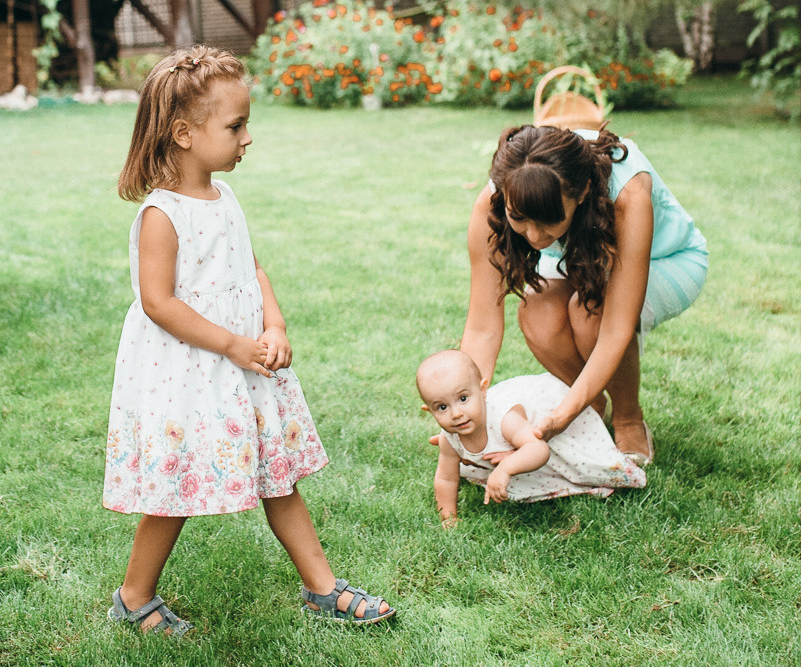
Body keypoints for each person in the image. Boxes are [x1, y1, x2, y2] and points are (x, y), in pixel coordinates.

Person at [103, 45, 395, 633]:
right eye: (236, 126)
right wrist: (233, 344)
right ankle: (135, 595)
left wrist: (274, 325)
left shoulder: (226, 197)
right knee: (175, 488)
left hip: (243, 365)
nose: (247, 138)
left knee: (276, 472)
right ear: (184, 133)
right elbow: (158, 303)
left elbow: (252, 270)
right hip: (190, 372)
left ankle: (322, 585)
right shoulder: (163, 214)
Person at [461, 124, 708, 466]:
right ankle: (590, 407)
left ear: (582, 192)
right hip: (577, 260)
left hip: (667, 260)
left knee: (590, 310)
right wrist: (466, 412)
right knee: (537, 311)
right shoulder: (499, 194)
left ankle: (627, 417)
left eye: (548, 219)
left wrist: (559, 417)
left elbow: (615, 328)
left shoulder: (628, 191)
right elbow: (482, 327)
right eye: (519, 218)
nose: (533, 235)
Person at [417, 350, 646, 526]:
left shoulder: (504, 419)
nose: (456, 413)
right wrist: (448, 518)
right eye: (443, 407)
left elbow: (538, 450)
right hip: (519, 441)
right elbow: (446, 478)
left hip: (545, 429)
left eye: (464, 398)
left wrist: (504, 469)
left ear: (483, 390)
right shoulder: (449, 437)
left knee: (578, 463)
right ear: (429, 410)